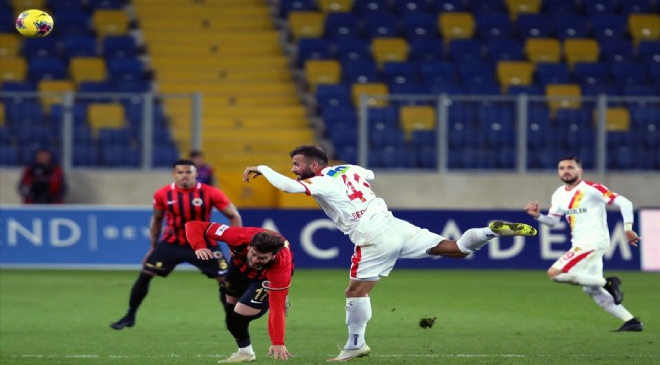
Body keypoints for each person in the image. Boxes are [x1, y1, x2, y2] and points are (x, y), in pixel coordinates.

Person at [242, 144, 538, 362]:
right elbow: (367, 173)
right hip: (394, 224)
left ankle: (356, 344)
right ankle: (490, 232)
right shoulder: (350, 169)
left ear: (315, 166)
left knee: (356, 292)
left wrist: (263, 168)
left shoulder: (321, 181)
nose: (294, 170)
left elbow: (288, 188)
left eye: (297, 164)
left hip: (372, 236)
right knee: (456, 249)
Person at [110, 159, 242, 330]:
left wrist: (235, 245)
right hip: (173, 244)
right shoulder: (163, 194)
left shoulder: (210, 192)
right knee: (145, 274)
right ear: (174, 174)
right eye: (180, 172)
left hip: (204, 244)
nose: (184, 176)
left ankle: (232, 320)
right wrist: (152, 247)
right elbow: (157, 220)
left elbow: (234, 216)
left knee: (225, 281)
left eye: (188, 172)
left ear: (196, 173)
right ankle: (129, 316)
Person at [524, 156, 643, 332]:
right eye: (561, 168)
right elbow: (553, 221)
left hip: (593, 241)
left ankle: (607, 282)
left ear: (580, 170)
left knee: (554, 273)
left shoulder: (591, 189)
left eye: (570, 167)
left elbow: (624, 202)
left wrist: (628, 228)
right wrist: (538, 216)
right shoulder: (559, 194)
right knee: (591, 290)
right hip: (580, 242)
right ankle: (631, 321)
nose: (565, 171)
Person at [186, 221, 294, 363]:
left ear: (273, 256)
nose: (255, 260)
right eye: (253, 254)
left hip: (265, 277)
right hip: (238, 267)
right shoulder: (237, 236)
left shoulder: (281, 265)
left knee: (240, 313)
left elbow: (277, 309)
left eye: (262, 258)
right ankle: (245, 352)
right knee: (230, 311)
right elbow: (194, 225)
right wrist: (199, 246)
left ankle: (276, 292)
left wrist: (278, 342)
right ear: (249, 246)